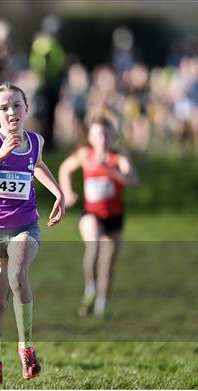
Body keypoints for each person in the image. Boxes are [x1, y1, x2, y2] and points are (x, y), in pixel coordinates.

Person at [0, 82, 64, 386]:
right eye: (4, 108)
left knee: (17, 275)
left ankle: (26, 347)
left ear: (26, 109)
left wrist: (58, 192)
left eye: (16, 105)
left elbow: (36, 165)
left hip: (24, 226)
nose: (11, 112)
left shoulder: (36, 141)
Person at [59, 112, 139, 317]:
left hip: (114, 216)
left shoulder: (119, 157)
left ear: (113, 136)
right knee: (93, 245)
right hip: (91, 213)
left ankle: (103, 303)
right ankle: (90, 289)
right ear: (91, 138)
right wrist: (67, 192)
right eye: (97, 135)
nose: (102, 139)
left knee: (108, 263)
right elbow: (65, 169)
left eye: (106, 135)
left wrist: (110, 170)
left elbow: (133, 182)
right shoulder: (86, 154)